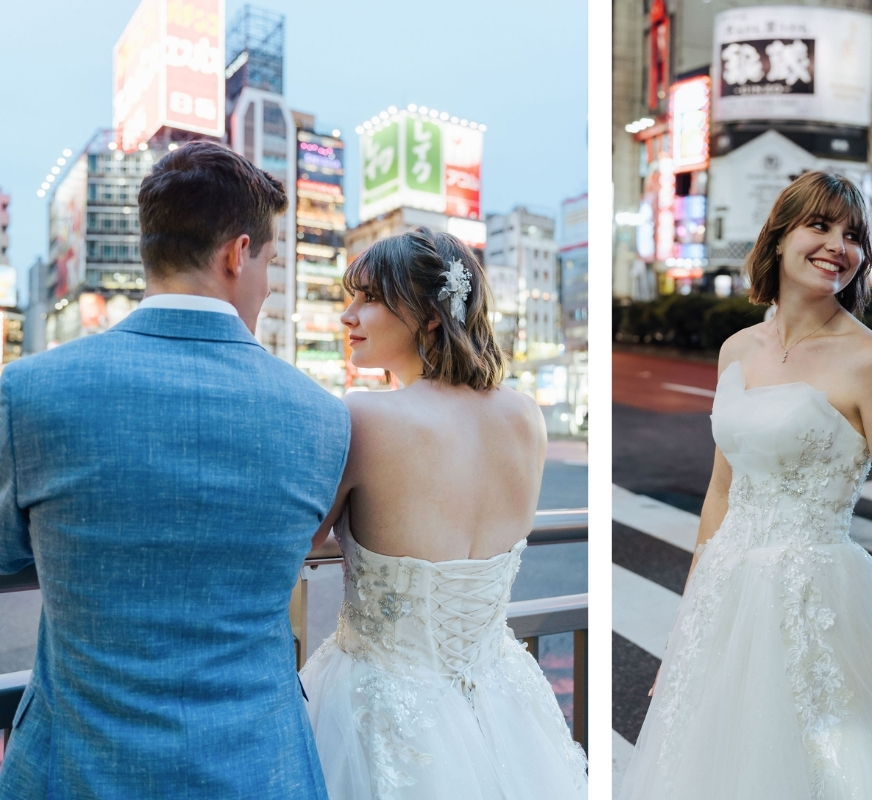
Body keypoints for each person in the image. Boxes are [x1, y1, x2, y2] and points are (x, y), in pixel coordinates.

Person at [0, 141, 349, 798]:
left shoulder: (30, 392)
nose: (267, 286)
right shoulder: (320, 417)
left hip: (75, 772)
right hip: (260, 770)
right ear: (237, 254)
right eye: (269, 264)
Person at [618, 172, 872, 799]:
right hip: (726, 597)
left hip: (819, 598)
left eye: (854, 235)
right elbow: (720, 493)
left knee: (832, 769)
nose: (840, 245)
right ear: (778, 238)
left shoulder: (871, 359)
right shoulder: (736, 350)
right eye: (821, 226)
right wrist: (687, 623)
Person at [299, 228, 588, 799]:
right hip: (501, 697)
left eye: (369, 298)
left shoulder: (364, 417)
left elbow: (302, 540)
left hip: (378, 703)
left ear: (431, 315)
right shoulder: (524, 416)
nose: (347, 316)